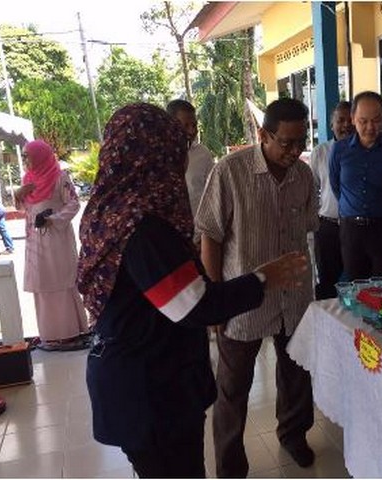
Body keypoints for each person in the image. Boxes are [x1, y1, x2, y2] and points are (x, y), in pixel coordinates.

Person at [77, 103, 308, 479]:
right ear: (156, 157)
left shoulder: (113, 210)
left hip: (144, 376)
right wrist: (263, 278)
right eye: (177, 149)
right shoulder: (144, 228)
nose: (184, 160)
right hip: (150, 391)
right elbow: (195, 305)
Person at [196, 98, 319, 477]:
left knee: (296, 374)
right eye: (286, 142)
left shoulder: (304, 176)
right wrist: (215, 300)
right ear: (263, 134)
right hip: (242, 300)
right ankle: (230, 463)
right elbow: (211, 236)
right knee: (232, 387)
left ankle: (293, 434)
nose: (295, 151)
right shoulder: (229, 172)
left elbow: (307, 228)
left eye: (301, 142)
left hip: (294, 297)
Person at [329, 91, 382, 280]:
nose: (370, 127)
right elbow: (336, 185)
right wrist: (351, 206)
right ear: (353, 119)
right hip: (351, 231)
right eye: (363, 121)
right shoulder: (339, 150)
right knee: (355, 286)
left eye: (376, 121)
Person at [14, 140, 89, 351]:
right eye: (23, 156)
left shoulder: (60, 177)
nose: (24, 160)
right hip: (35, 241)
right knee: (42, 283)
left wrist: (53, 219)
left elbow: (73, 203)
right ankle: (49, 335)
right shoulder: (28, 180)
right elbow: (24, 209)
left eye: (27, 156)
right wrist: (19, 195)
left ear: (40, 156)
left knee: (61, 281)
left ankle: (70, 333)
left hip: (57, 239)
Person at [309, 100, 353, 299]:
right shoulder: (320, 153)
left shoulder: (365, 151)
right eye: (340, 120)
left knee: (357, 280)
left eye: (350, 120)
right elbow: (312, 190)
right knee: (328, 282)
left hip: (356, 228)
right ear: (331, 124)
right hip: (328, 227)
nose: (346, 125)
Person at [166, 99, 215, 220]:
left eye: (194, 125)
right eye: (186, 125)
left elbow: (214, 192)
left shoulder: (203, 154)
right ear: (171, 125)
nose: (192, 131)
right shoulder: (158, 156)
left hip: (199, 226)